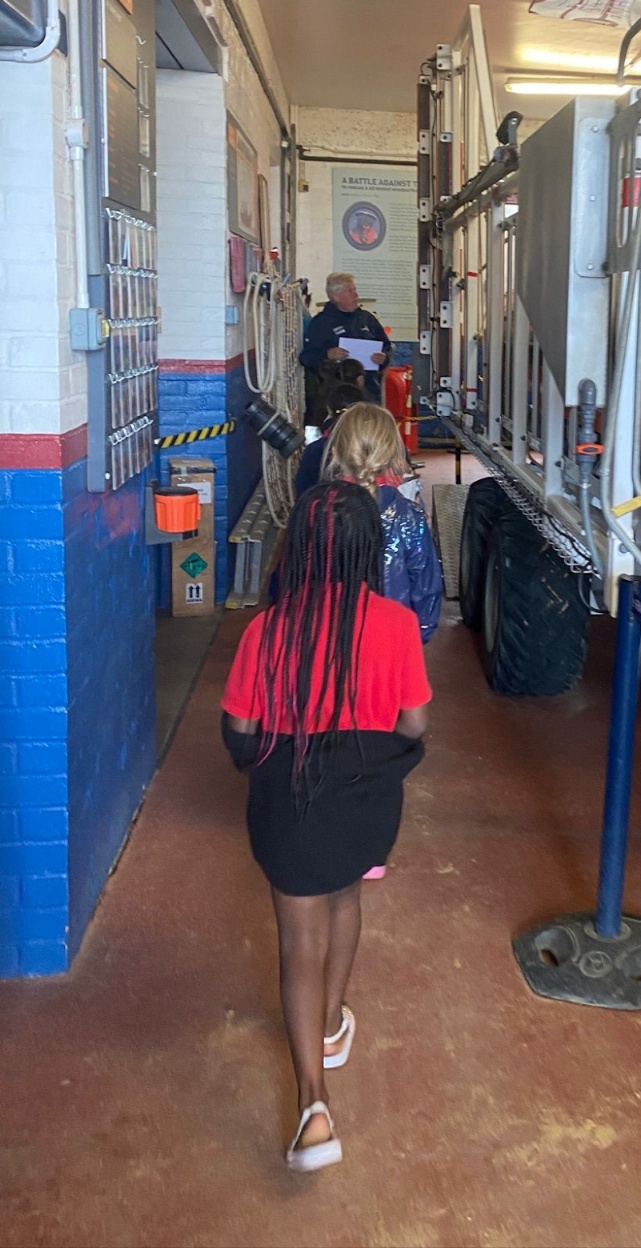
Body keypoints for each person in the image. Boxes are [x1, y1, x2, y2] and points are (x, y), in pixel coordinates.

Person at [221, 481, 431, 1172]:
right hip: (366, 803)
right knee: (346, 896)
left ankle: (314, 1104)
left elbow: (240, 732)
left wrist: (275, 763)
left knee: (298, 942)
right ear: (369, 549)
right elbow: (414, 725)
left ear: (301, 547)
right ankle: (334, 1022)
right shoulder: (397, 625)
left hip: (289, 804)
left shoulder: (266, 629)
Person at [323, 403, 442, 643]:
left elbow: (287, 586)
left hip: (326, 646)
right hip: (391, 643)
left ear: (335, 451)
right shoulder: (410, 517)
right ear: (393, 455)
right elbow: (426, 595)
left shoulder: (317, 513)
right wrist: (409, 643)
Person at [299, 273, 391, 403]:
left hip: (369, 391)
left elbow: (386, 346)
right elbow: (306, 358)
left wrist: (383, 358)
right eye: (350, 291)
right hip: (336, 394)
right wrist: (328, 354)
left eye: (355, 290)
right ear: (336, 297)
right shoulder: (321, 323)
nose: (356, 295)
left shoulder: (367, 318)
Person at [293, 360, 367, 499]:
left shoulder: (315, 449)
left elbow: (303, 493)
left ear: (328, 409)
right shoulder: (373, 444)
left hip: (322, 510)